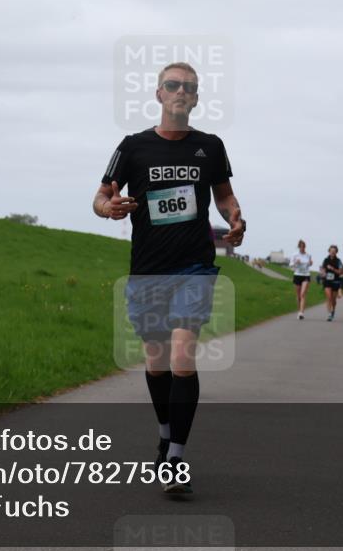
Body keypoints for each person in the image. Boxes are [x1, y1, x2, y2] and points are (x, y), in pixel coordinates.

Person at [93, 62, 245, 495]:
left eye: (189, 88)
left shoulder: (210, 147)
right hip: (147, 270)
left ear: (196, 98)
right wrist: (108, 208)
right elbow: (100, 196)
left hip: (194, 267)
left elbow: (224, 196)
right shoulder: (133, 147)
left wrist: (234, 218)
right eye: (173, 85)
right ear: (159, 94)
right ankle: (164, 435)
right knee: (157, 361)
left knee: (181, 356)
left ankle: (175, 458)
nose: (181, 92)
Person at [288, 240, 313, 319]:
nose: (302, 248)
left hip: (306, 275)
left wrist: (310, 263)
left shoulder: (308, 255)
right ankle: (299, 310)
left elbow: (309, 264)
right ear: (299, 247)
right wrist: (296, 262)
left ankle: (301, 312)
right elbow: (290, 265)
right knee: (298, 296)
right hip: (297, 275)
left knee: (303, 294)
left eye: (304, 247)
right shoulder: (295, 255)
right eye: (301, 247)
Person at [320, 245, 343, 321]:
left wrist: (333, 269)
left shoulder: (338, 261)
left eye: (334, 251)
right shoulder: (326, 260)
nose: (332, 252)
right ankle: (329, 314)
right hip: (327, 281)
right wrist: (323, 273)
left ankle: (333, 310)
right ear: (329, 251)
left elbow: (340, 272)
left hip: (335, 281)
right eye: (331, 251)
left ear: (336, 252)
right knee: (329, 297)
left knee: (333, 300)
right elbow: (323, 269)